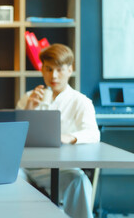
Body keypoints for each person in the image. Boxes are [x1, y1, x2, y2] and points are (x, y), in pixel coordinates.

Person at [17, 43, 100, 218]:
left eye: (59, 69)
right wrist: (29, 108)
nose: (53, 75)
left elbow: (93, 134)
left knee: (79, 181)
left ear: (70, 70)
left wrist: (68, 137)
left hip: (60, 168)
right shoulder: (28, 97)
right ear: (42, 70)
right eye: (48, 69)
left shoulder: (80, 101)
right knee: (8, 180)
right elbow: (14, 136)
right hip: (26, 166)